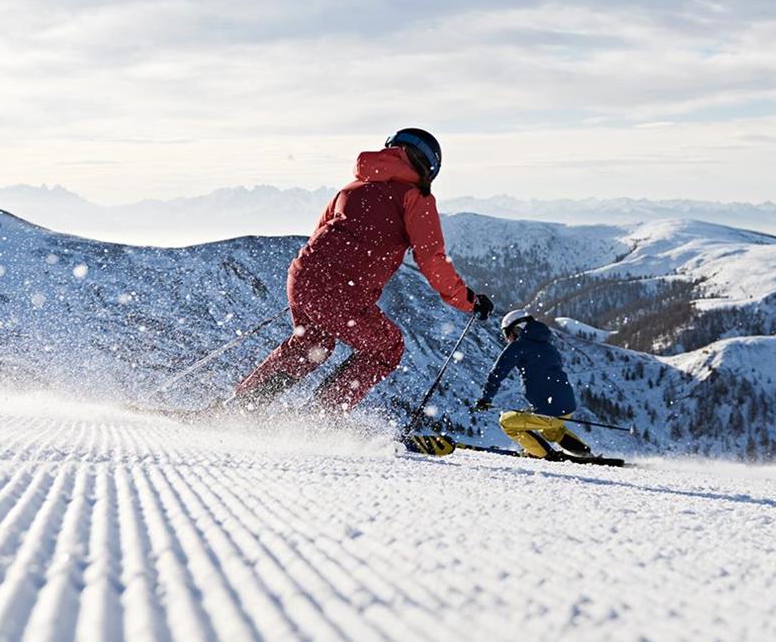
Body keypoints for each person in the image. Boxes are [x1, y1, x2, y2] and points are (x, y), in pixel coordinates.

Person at [233, 128, 492, 414]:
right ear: (430, 167)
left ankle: (239, 406)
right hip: (339, 290)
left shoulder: (352, 187)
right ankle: (321, 418)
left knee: (311, 344)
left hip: (302, 276)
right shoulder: (415, 197)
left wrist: (313, 288)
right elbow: (431, 259)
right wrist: (467, 300)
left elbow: (319, 233)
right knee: (387, 348)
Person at [471, 309, 595, 460]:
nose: (507, 339)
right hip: (567, 406)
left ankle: (546, 455)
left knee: (506, 422)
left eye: (507, 333)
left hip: (549, 411)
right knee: (551, 430)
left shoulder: (519, 346)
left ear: (517, 329)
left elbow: (497, 373)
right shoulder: (549, 346)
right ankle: (586, 453)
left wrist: (485, 399)